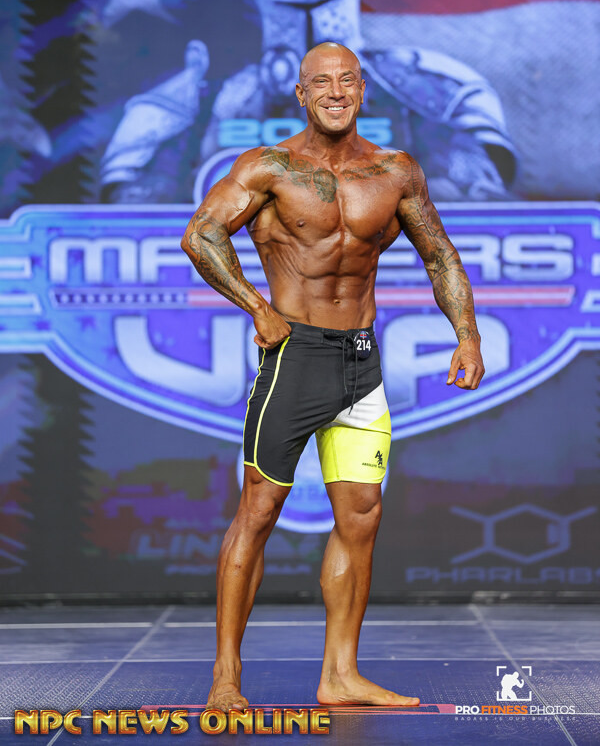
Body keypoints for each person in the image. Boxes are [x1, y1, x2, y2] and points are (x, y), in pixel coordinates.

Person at [181, 41, 485, 710]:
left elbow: (439, 255)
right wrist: (257, 306)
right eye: (322, 81)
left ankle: (340, 675)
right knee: (259, 511)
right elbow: (201, 233)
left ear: (363, 89)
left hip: (361, 364)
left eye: (347, 80)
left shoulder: (395, 171)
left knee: (362, 516)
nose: (336, 91)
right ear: (301, 93)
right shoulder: (269, 166)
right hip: (295, 358)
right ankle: (226, 679)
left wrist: (466, 335)